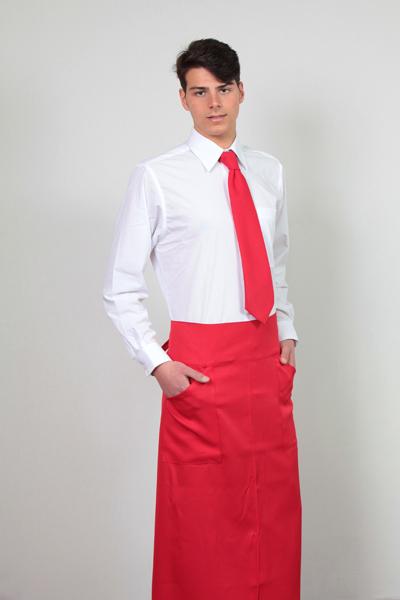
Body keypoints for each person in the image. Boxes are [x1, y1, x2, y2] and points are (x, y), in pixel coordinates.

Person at [102, 37, 301, 600]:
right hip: (201, 370)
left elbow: (275, 259)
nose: (213, 103)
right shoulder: (157, 177)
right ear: (183, 99)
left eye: (223, 89)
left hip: (264, 363)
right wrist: (157, 363)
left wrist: (287, 331)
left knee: (273, 519)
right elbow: (120, 285)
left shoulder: (267, 171)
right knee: (202, 529)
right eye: (199, 92)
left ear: (241, 93)